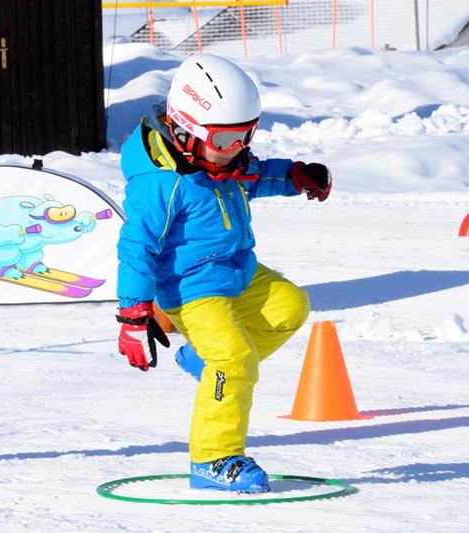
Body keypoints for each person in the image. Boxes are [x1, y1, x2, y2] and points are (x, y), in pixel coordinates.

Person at [115, 54, 332, 493]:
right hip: (190, 288)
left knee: (290, 307)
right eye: (228, 137)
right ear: (185, 130)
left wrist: (295, 176)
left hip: (236, 272)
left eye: (246, 135)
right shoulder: (161, 182)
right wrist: (133, 314)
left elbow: (257, 175)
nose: (239, 147)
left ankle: (202, 360)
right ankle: (214, 459)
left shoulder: (222, 159)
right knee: (234, 359)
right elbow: (136, 247)